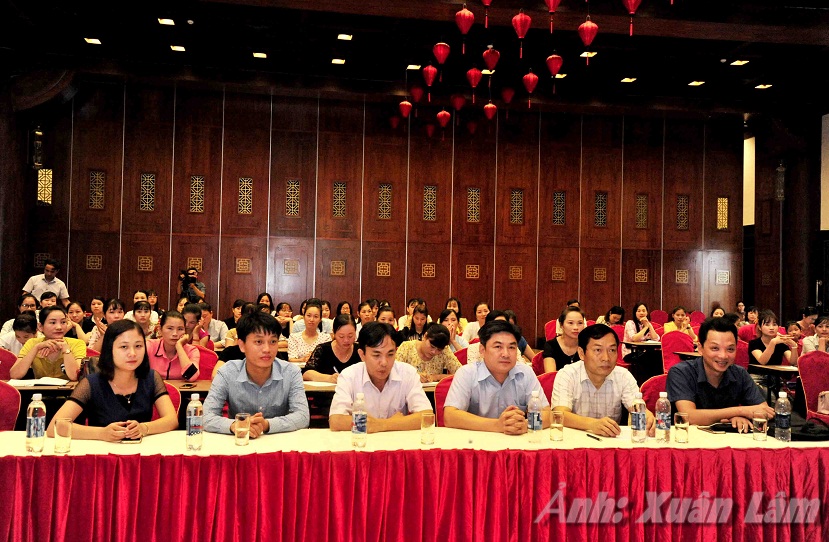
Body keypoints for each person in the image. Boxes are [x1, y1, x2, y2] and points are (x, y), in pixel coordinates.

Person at [45, 320, 178, 441]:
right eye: (124, 347)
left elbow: (172, 420)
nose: (132, 353)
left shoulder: (151, 378)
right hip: (102, 456)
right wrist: (101, 433)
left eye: (138, 346)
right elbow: (54, 427)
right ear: (110, 350)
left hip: (141, 454)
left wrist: (144, 428)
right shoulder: (91, 383)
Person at [203, 312, 310, 436]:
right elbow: (206, 416)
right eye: (259, 342)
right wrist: (236, 425)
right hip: (239, 443)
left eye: (273, 341)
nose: (267, 349)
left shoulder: (291, 372)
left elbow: (302, 416)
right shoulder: (227, 372)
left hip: (279, 444)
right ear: (242, 345)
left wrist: (266, 425)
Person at [666, 317, 773, 432]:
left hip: (728, 442)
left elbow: (764, 411)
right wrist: (739, 411)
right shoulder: (681, 372)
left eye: (730, 349)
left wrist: (738, 417)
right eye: (715, 348)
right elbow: (689, 416)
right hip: (688, 442)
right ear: (700, 348)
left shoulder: (740, 374)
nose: (723, 356)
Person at [444, 320, 549, 434]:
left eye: (511, 347)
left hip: (517, 444)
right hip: (477, 445)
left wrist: (528, 425)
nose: (505, 354)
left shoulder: (526, 373)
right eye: (498, 346)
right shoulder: (467, 373)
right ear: (482, 350)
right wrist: (497, 425)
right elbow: (450, 416)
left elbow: (547, 414)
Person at [551, 324, 655, 438]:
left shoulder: (623, 376)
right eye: (598, 350)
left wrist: (647, 416)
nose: (606, 358)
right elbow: (559, 415)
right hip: (574, 443)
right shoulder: (567, 375)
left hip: (610, 444)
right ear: (581, 353)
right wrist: (592, 424)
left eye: (612, 350)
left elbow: (637, 407)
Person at [329, 322, 433, 433]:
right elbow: (336, 420)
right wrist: (396, 423)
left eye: (390, 354)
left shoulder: (408, 373)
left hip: (397, 445)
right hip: (361, 444)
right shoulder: (349, 376)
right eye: (376, 355)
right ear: (362, 355)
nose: (384, 362)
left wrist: (381, 425)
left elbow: (427, 416)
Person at [10, 306, 86, 380]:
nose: (59, 327)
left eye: (63, 322)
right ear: (40, 326)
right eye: (53, 322)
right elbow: (15, 375)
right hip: (40, 391)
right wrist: (36, 348)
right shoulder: (32, 343)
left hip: (69, 391)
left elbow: (75, 376)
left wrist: (65, 348)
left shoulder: (78, 343)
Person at [302, 314, 361, 382]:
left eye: (350, 336)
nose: (346, 340)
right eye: (341, 336)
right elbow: (306, 373)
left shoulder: (360, 350)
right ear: (334, 333)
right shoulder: (323, 349)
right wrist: (328, 378)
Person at [146, 311, 201, 381]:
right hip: (153, 391)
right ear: (160, 330)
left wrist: (179, 346)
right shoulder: (149, 346)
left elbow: (191, 377)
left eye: (180, 329)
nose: (175, 334)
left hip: (181, 391)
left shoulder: (192, 350)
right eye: (170, 328)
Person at [396, 324, 461, 382]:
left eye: (439, 350)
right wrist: (414, 376)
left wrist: (437, 377)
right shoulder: (406, 347)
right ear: (425, 336)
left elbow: (461, 374)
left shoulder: (445, 350)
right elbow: (394, 372)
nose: (434, 352)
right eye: (432, 346)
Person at [543, 306, 585, 372]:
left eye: (580, 323)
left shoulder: (587, 344)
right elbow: (550, 375)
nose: (576, 327)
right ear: (561, 325)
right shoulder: (551, 345)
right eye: (570, 323)